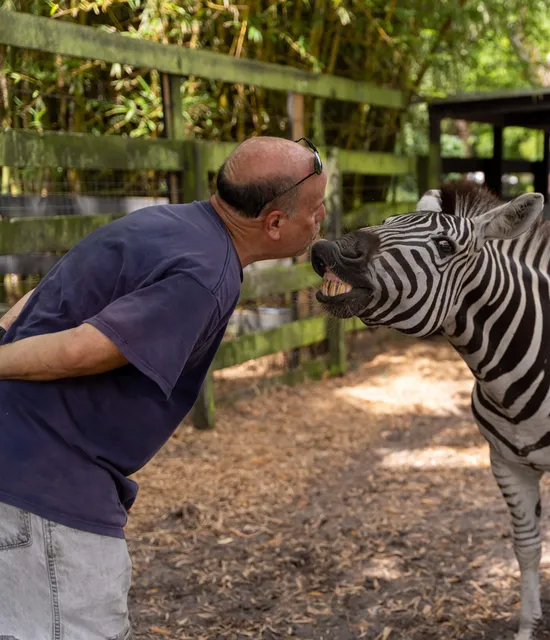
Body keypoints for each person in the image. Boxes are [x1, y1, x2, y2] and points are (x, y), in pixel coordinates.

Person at [0, 136, 327, 639]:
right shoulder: (206, 276)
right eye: (316, 210)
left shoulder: (164, 221)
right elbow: (84, 349)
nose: (320, 220)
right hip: (46, 489)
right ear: (275, 223)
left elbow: (47, 292)